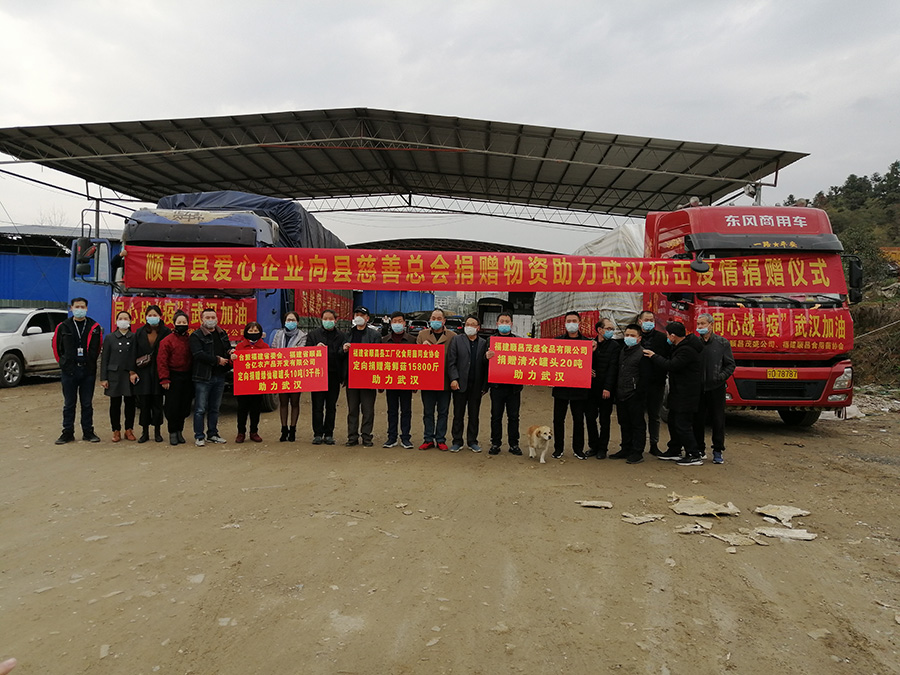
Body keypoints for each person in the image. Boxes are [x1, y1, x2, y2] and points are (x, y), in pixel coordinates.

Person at [644, 321, 705, 466]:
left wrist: (654, 356)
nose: (667, 338)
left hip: (687, 393)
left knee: (683, 424)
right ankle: (674, 449)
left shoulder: (687, 350)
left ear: (673, 335)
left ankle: (693, 454)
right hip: (678, 391)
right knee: (673, 421)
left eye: (667, 335)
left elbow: (671, 365)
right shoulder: (679, 347)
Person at [53, 297, 103, 444]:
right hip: (69, 371)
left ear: (86, 309)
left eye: (82, 307)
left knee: (87, 403)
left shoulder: (94, 326)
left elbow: (98, 347)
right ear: (71, 308)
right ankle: (67, 432)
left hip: (87, 371)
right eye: (77, 307)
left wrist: (91, 362)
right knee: (69, 403)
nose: (79, 309)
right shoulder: (63, 326)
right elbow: (56, 347)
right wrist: (64, 364)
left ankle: (88, 432)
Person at [693, 313, 735, 465]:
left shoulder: (722, 343)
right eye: (698, 324)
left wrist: (720, 377)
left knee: (717, 420)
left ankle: (718, 450)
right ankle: (699, 449)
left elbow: (730, 365)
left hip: (716, 387)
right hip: (698, 388)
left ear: (711, 325)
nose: (700, 327)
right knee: (697, 419)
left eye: (703, 324)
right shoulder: (695, 343)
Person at [551, 311, 592, 460]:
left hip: (579, 389)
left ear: (579, 323)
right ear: (565, 323)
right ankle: (558, 449)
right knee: (558, 420)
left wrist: (590, 371)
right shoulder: (557, 342)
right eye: (569, 321)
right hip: (561, 388)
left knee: (578, 420)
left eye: (574, 321)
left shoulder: (587, 343)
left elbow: (592, 363)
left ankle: (578, 449)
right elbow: (549, 362)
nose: (571, 323)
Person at [189, 307, 233, 447]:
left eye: (213, 317)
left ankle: (213, 434)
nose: (210, 320)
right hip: (203, 377)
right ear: (202, 319)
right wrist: (217, 360)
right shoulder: (196, 336)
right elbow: (198, 354)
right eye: (207, 317)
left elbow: (227, 348)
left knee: (215, 408)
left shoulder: (222, 333)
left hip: (219, 376)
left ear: (217, 319)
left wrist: (230, 352)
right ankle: (199, 436)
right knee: (200, 409)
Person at [610, 324, 652, 463]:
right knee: (624, 422)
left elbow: (645, 378)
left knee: (637, 424)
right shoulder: (622, 351)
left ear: (639, 338)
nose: (629, 338)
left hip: (635, 395)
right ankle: (626, 448)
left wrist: (638, 394)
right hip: (621, 393)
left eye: (632, 336)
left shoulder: (643, 354)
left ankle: (637, 451)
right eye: (627, 335)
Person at [447, 314, 489, 453]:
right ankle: (457, 441)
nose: (469, 327)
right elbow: (451, 361)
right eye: (467, 324)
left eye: (472, 325)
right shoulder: (456, 340)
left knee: (474, 415)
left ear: (478, 328)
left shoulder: (483, 343)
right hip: (460, 384)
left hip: (476, 386)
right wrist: (454, 379)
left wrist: (485, 386)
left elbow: (486, 366)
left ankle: (472, 441)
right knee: (458, 415)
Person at [342, 306, 382, 446]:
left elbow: (379, 355)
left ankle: (366, 437)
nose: (358, 317)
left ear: (367, 318)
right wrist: (344, 349)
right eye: (356, 314)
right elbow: (340, 355)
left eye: (362, 315)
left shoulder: (374, 335)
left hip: (368, 378)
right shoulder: (348, 334)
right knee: (352, 409)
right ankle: (352, 437)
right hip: (351, 378)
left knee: (368, 410)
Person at [417, 308, 456, 450]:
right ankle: (428, 438)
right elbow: (415, 358)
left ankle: (440, 439)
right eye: (433, 318)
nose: (436, 321)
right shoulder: (422, 335)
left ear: (444, 321)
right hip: (427, 380)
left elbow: (454, 359)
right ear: (430, 320)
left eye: (439, 318)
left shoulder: (452, 336)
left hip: (445, 381)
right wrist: (422, 349)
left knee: (443, 412)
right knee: (428, 412)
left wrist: (454, 379)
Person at [485, 312, 522, 455]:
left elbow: (526, 362)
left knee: (513, 417)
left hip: (514, 388)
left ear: (511, 324)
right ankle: (495, 443)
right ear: (497, 324)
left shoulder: (518, 341)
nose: (504, 324)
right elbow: (483, 363)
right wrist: (486, 357)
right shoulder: (490, 340)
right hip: (497, 387)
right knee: (496, 416)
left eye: (507, 321)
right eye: (502, 321)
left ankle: (514, 444)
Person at [306, 308, 345, 445]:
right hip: (318, 376)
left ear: (336, 320)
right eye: (325, 319)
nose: (328, 321)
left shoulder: (341, 336)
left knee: (331, 406)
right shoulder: (313, 335)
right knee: (317, 406)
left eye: (330, 319)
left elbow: (342, 355)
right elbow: (306, 353)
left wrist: (343, 350)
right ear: (321, 320)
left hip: (334, 375)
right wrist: (315, 348)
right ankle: (317, 433)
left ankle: (329, 434)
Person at [133, 304, 171, 443]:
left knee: (157, 404)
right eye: (150, 315)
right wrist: (132, 371)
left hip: (159, 372)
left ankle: (157, 432)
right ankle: (145, 432)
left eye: (155, 315)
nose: (152, 317)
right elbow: (133, 352)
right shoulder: (139, 332)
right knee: (144, 404)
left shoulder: (166, 332)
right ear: (145, 317)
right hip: (143, 372)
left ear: (160, 316)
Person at [100, 310, 139, 442]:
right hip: (114, 375)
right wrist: (103, 378)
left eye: (125, 318)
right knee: (115, 404)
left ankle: (129, 429)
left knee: (130, 403)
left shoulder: (134, 337)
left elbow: (136, 356)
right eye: (120, 318)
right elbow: (105, 359)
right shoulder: (110, 338)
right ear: (116, 321)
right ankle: (116, 430)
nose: (123, 321)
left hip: (129, 375)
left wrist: (134, 372)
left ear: (130, 321)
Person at [585, 317, 621, 459]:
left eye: (612, 329)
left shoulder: (615, 346)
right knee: (590, 418)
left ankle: (602, 448)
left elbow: (613, 368)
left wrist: (607, 388)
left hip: (605, 389)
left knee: (604, 420)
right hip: (591, 388)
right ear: (599, 330)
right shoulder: (590, 344)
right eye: (608, 329)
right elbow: (582, 363)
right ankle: (593, 446)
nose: (611, 331)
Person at [270, 311, 307, 442]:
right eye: (288, 320)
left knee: (295, 402)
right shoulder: (278, 334)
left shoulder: (303, 336)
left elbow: (302, 352)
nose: (290, 322)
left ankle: (293, 429)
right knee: (283, 402)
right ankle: (284, 429)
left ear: (297, 322)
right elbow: (273, 350)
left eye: (293, 320)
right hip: (282, 373)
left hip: (295, 374)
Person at [157, 310, 193, 446]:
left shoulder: (191, 340)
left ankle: (180, 431)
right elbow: (162, 361)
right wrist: (164, 379)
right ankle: (172, 432)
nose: (182, 324)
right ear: (174, 324)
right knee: (173, 406)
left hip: (187, 376)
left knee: (184, 405)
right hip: (173, 377)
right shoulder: (167, 341)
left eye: (184, 322)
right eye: (179, 322)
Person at [638, 310, 670, 456]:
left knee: (654, 415)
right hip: (638, 383)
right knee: (638, 415)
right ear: (640, 321)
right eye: (646, 320)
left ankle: (654, 444)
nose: (649, 322)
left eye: (651, 320)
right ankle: (637, 445)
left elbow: (668, 358)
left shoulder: (662, 338)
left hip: (657, 382)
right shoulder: (634, 336)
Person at [382, 311, 416, 449]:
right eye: (394, 321)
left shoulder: (412, 340)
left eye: (400, 321)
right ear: (391, 323)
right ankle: (392, 437)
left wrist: (415, 383)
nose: (397, 324)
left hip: (406, 381)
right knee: (392, 410)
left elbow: (417, 362)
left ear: (404, 323)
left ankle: (405, 437)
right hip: (390, 381)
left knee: (406, 410)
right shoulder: (384, 340)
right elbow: (379, 362)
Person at [232, 321, 268, 443]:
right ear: (246, 332)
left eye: (256, 331)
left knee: (255, 409)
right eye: (251, 331)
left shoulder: (265, 347)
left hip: (258, 384)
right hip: (243, 384)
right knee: (242, 409)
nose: (253, 333)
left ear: (260, 332)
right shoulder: (240, 347)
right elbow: (234, 364)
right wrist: (233, 358)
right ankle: (241, 432)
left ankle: (254, 432)